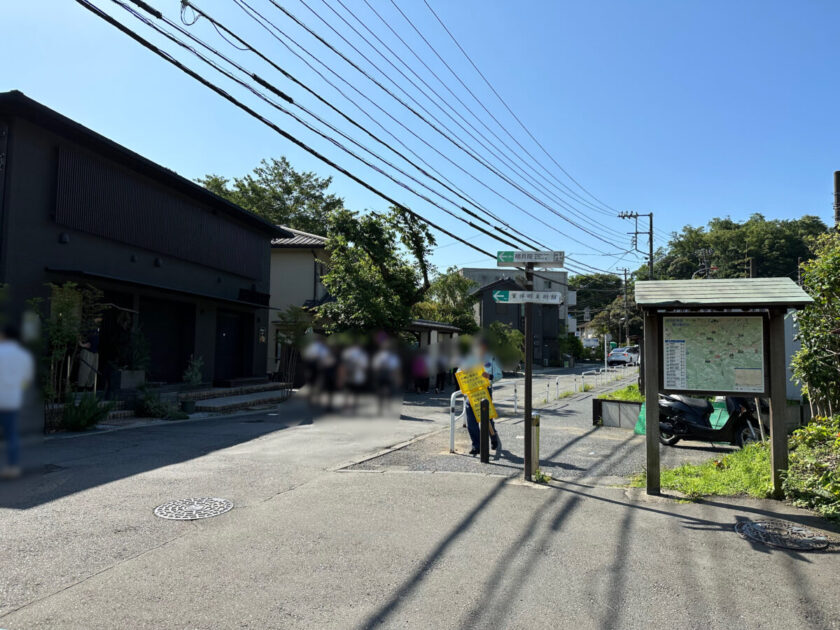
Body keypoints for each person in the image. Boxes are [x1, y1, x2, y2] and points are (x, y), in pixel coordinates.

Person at [0, 324, 34, 479]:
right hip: (13, 399)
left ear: (4, 336)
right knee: (11, 434)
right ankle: (12, 467)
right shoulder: (24, 355)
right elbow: (26, 380)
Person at [458, 337, 502, 456]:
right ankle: (476, 446)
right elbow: (459, 372)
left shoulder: (491, 359)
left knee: (487, 418)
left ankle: (493, 437)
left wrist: (489, 376)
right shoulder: (469, 358)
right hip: (471, 392)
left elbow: (499, 375)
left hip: (485, 391)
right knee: (471, 420)